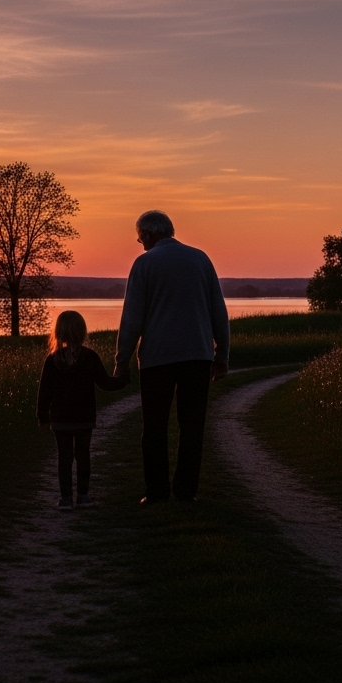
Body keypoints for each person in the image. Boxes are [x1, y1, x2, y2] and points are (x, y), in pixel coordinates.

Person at [115, 210, 229, 504]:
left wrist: (121, 362)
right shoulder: (200, 259)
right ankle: (186, 492)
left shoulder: (145, 264)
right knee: (192, 427)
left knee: (154, 428)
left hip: (157, 358)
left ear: (148, 235)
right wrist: (222, 355)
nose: (141, 244)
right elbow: (218, 311)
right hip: (198, 356)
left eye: (140, 239)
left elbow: (132, 318)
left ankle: (157, 492)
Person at [36, 310, 128, 510]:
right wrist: (123, 379)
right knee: (83, 455)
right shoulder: (90, 357)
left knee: (65, 457)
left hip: (60, 419)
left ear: (58, 332)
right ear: (82, 331)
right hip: (84, 417)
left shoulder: (52, 360)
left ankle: (66, 499)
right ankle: (83, 496)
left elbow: (44, 392)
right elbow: (105, 383)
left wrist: (42, 417)